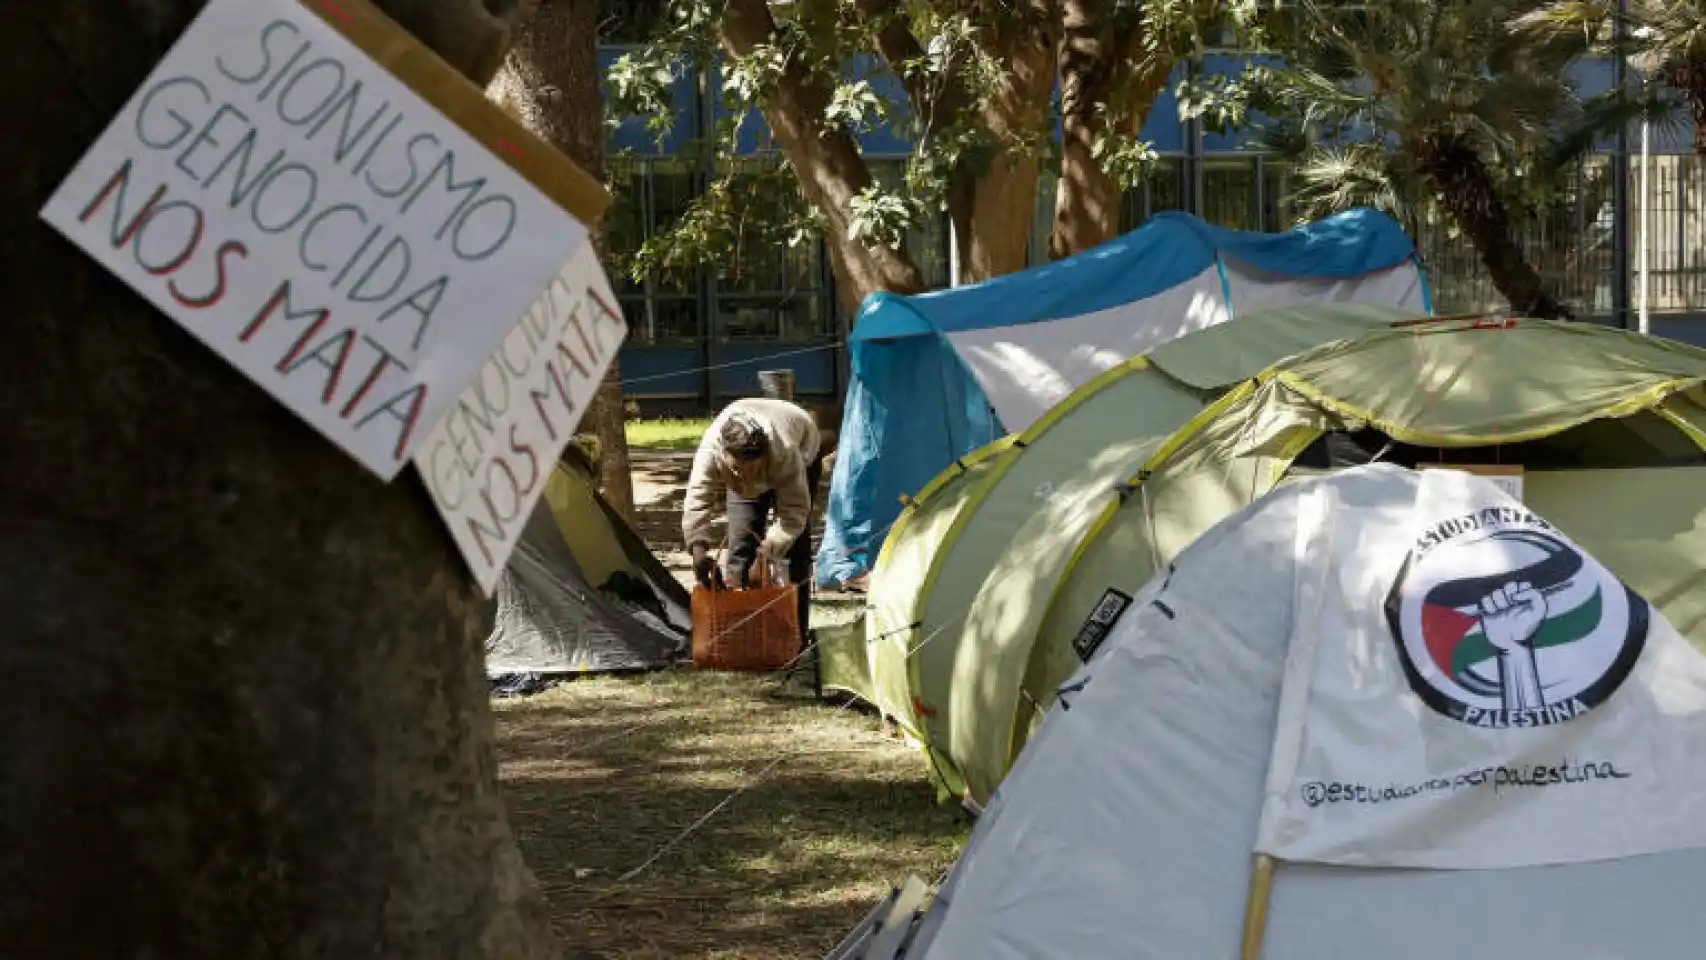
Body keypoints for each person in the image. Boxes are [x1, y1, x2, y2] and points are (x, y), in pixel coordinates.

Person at [681, 397, 823, 648]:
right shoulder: (711, 451)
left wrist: (768, 552)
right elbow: (697, 500)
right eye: (741, 468)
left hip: (802, 447)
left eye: (753, 468)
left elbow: (794, 513)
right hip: (739, 472)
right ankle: (740, 636)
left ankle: (795, 637)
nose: (748, 474)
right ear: (725, 454)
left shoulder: (785, 451)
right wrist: (698, 552)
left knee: (794, 551)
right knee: (740, 545)